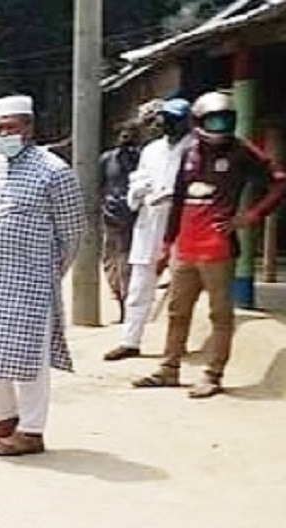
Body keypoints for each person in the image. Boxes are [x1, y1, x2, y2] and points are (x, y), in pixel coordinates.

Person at [0, 95, 88, 457]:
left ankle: (31, 430)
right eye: (0, 129)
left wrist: (52, 272)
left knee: (30, 359)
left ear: (29, 127)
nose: (5, 134)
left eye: (13, 127)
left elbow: (72, 232)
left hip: (31, 280)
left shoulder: (54, 171)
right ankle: (4, 419)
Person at [133, 91, 286, 398]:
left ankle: (213, 374)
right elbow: (178, 197)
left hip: (218, 247)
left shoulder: (242, 151)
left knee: (219, 314)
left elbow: (279, 181)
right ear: (198, 122)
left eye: (226, 120)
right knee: (177, 311)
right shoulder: (188, 151)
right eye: (214, 120)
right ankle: (169, 368)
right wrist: (167, 242)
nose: (220, 126)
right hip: (185, 246)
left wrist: (252, 215)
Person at [104, 98, 193, 361]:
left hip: (180, 223)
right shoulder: (151, 150)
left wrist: (173, 195)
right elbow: (137, 182)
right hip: (149, 220)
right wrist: (138, 193)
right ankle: (130, 341)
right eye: (164, 118)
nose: (166, 124)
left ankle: (177, 344)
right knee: (139, 285)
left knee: (180, 290)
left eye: (173, 119)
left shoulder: (195, 148)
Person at [99, 122, 143, 322]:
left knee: (127, 266)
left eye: (130, 134)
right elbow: (97, 186)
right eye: (122, 133)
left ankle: (128, 310)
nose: (126, 137)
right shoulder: (107, 159)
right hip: (111, 219)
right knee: (110, 264)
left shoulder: (143, 159)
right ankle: (120, 301)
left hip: (134, 221)